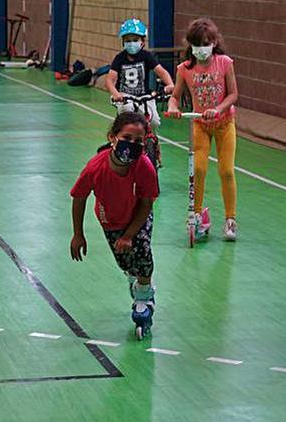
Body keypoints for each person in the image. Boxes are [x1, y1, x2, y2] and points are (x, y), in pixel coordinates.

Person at [70, 112, 160, 337]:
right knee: (124, 261)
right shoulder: (95, 168)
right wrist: (78, 234)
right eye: (127, 138)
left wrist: (130, 234)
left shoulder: (144, 165)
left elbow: (147, 202)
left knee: (142, 252)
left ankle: (143, 299)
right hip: (110, 218)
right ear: (113, 137)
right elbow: (79, 197)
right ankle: (136, 278)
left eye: (138, 141)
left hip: (138, 213)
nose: (132, 144)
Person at [167, 17, 239, 241]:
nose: (201, 49)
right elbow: (175, 96)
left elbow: (233, 94)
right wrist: (173, 108)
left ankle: (230, 218)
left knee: (226, 171)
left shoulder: (225, 63)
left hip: (224, 124)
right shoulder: (184, 69)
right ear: (190, 45)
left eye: (206, 43)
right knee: (198, 169)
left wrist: (218, 109)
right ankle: (196, 215)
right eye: (197, 44)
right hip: (200, 125)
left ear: (214, 42)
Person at [105, 18, 174, 169]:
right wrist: (116, 93)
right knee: (127, 114)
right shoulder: (119, 58)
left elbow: (161, 71)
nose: (131, 43)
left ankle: (154, 146)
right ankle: (121, 144)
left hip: (144, 96)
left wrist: (169, 84)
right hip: (125, 96)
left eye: (135, 39)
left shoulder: (146, 56)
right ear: (123, 42)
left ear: (142, 41)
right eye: (128, 40)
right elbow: (110, 79)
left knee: (154, 120)